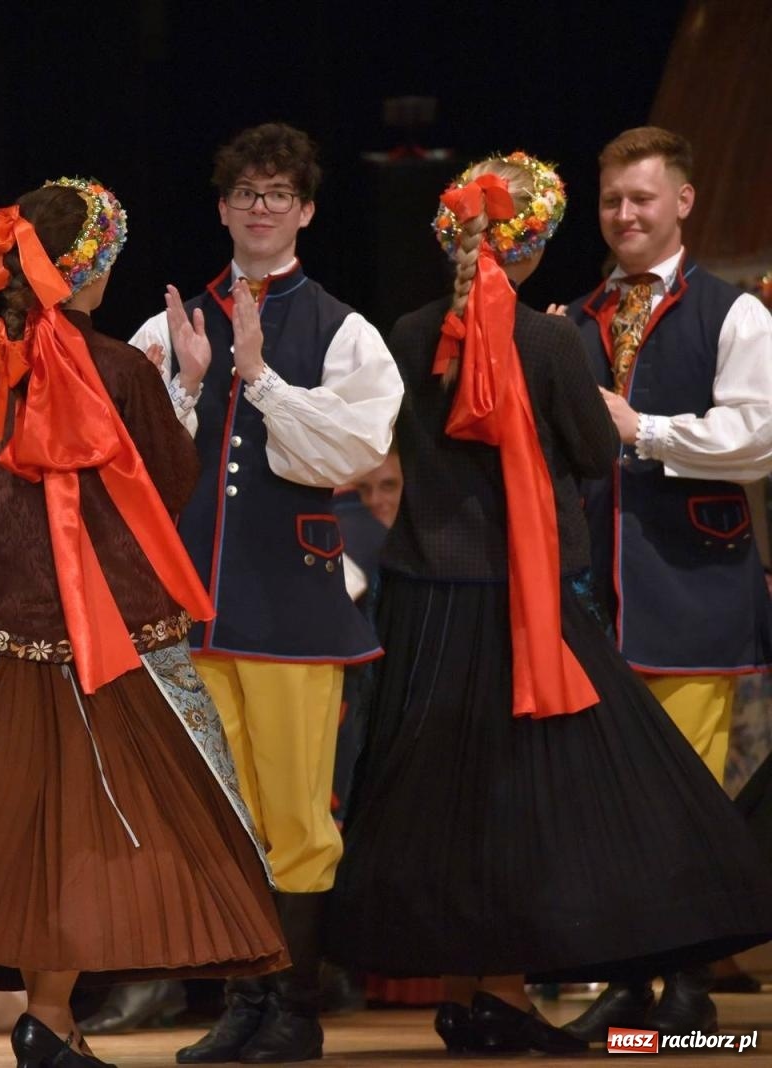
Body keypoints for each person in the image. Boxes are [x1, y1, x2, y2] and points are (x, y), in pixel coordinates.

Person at [327, 152, 772, 1055]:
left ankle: (470, 991)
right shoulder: (553, 339)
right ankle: (509, 993)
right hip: (518, 600)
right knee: (527, 803)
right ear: (530, 247)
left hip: (422, 598)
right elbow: (594, 453)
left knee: (436, 800)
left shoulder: (410, 331)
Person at [0, 178, 286, 1068]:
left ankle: (52, 1019)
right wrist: (187, 391)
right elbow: (166, 483)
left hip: (8, 634)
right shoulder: (119, 367)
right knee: (105, 836)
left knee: (27, 834)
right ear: (91, 268)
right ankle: (50, 1018)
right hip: (107, 639)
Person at [129, 123, 403, 1064]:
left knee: (293, 810)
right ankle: (244, 1001)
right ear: (221, 206)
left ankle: (293, 1008)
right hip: (196, 605)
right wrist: (192, 387)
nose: (259, 206)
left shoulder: (343, 328)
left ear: (307, 210)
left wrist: (259, 380)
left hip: (291, 603)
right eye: (245, 191)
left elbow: (350, 450)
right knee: (221, 811)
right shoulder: (170, 323)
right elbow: (133, 465)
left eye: (278, 193)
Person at [559, 126, 772, 1039]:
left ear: (682, 201)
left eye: (642, 197)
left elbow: (757, 435)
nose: (625, 215)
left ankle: (684, 983)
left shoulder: (736, 313)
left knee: (689, 791)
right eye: (612, 200)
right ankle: (626, 980)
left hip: (690, 585)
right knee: (604, 795)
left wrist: (642, 428)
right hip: (593, 591)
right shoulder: (573, 318)